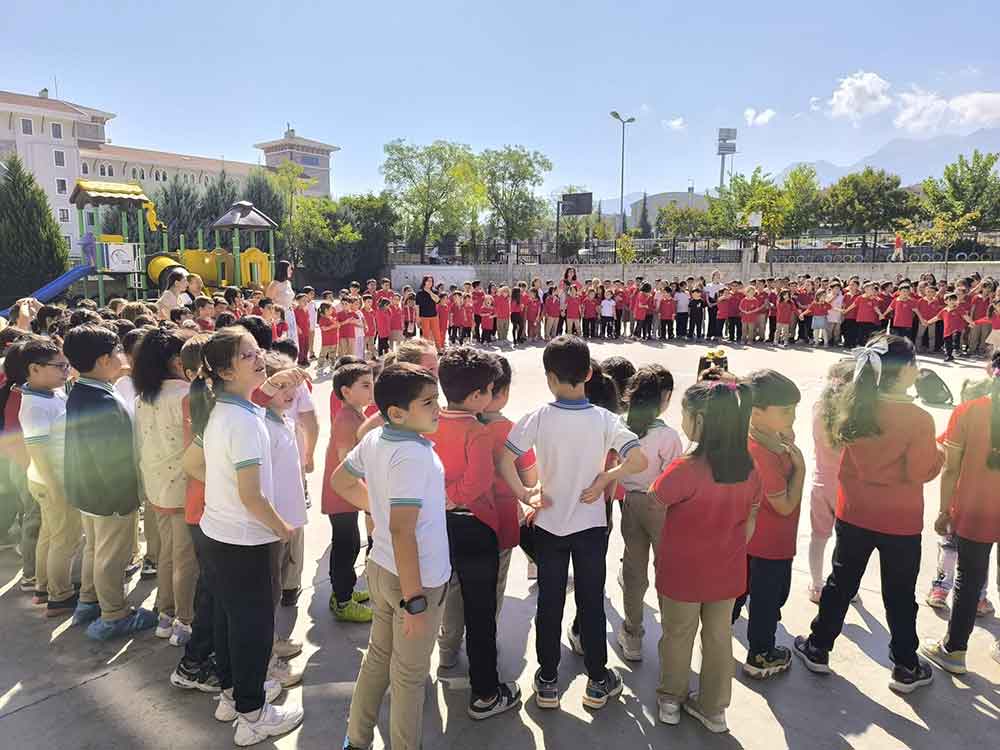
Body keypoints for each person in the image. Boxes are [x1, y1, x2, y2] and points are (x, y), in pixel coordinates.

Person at [500, 335, 648, 711]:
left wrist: (525, 493)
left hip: (548, 525)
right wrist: (605, 477)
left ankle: (547, 679)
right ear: (588, 374)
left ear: (550, 377)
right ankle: (598, 679)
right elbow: (639, 461)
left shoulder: (537, 417)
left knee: (549, 603)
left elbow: (505, 459)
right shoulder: (605, 419)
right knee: (590, 601)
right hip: (591, 529)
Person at [794, 335, 944, 693]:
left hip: (855, 512)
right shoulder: (918, 418)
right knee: (899, 591)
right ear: (905, 371)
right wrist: (941, 456)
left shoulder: (856, 406)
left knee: (841, 581)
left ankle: (818, 646)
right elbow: (922, 469)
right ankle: (906, 664)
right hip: (900, 521)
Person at [330, 364, 451, 750]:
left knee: (378, 658)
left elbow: (341, 482)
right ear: (397, 412)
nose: (439, 408)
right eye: (428, 402)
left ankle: (356, 738)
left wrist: (376, 509)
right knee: (409, 677)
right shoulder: (413, 456)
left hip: (381, 568)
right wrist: (415, 599)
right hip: (414, 582)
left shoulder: (378, 437)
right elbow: (403, 531)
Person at [193, 327, 304, 744]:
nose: (259, 360)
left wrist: (268, 386)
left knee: (228, 619)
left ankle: (233, 694)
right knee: (253, 628)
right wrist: (282, 527)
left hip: (219, 532)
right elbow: (252, 495)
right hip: (247, 539)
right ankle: (253, 713)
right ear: (224, 370)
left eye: (258, 352)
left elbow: (251, 404)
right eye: (247, 356)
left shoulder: (226, 408)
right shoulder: (242, 423)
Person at [650, 380, 761, 732]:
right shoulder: (749, 468)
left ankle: (671, 698)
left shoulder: (686, 468)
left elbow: (657, 498)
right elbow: (750, 522)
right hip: (727, 570)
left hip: (683, 570)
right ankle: (714, 709)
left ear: (699, 420)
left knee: (678, 633)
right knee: (718, 638)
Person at [429, 348, 523, 718]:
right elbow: (479, 481)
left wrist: (441, 501)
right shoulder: (478, 431)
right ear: (476, 397)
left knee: (442, 595)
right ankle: (485, 693)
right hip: (475, 527)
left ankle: (443, 656)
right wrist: (453, 499)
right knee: (480, 613)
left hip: (438, 525)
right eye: (488, 389)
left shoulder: (429, 423)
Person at [62, 324, 158, 637]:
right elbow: (111, 461)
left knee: (96, 549)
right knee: (111, 556)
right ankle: (114, 615)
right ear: (104, 360)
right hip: (110, 496)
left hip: (87, 492)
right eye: (117, 352)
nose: (122, 357)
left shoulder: (84, 389)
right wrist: (125, 498)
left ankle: (89, 601)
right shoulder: (104, 403)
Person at [921, 351, 1000, 672]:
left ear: (990, 371)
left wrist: (943, 511)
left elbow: (950, 469)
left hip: (974, 508)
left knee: (968, 581)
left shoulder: (969, 411)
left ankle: (954, 650)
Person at [732, 370, 804, 679]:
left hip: (746, 539)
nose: (793, 417)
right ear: (756, 412)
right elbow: (785, 505)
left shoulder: (754, 437)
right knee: (767, 600)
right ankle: (761, 654)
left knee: (739, 591)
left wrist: (785, 442)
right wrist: (799, 467)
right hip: (771, 542)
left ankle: (716, 633)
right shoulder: (763, 455)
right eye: (786, 411)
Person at [133, 328, 198, 646]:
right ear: (175, 360)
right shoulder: (186, 394)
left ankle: (165, 613)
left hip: (156, 484)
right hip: (184, 486)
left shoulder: (144, 396)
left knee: (167, 554)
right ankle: (185, 620)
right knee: (186, 557)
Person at [615, 365, 683, 662]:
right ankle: (672, 635)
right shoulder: (668, 436)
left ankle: (632, 635)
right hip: (662, 506)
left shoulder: (618, 426)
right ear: (663, 399)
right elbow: (676, 478)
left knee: (633, 570)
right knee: (667, 570)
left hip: (631, 503)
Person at [18, 337, 78, 614]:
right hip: (51, 478)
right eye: (60, 366)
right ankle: (60, 595)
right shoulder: (34, 406)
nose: (66, 370)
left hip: (48, 478)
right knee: (63, 539)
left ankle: (44, 586)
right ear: (34, 369)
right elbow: (38, 451)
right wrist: (55, 486)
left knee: (50, 534)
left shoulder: (50, 393)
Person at [322, 362, 376, 623]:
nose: (371, 389)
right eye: (365, 386)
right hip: (341, 494)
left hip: (350, 493)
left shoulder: (356, 414)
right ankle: (342, 600)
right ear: (346, 391)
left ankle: (345, 592)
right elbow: (346, 463)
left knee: (351, 542)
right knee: (346, 545)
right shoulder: (346, 419)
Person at [807, 360, 855, 603]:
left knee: (818, 538)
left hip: (821, 483)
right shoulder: (855, 417)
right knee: (846, 543)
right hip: (849, 488)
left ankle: (816, 585)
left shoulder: (818, 408)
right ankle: (846, 587)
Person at [266, 260, 298, 346]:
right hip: (279, 316)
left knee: (292, 339)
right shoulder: (274, 285)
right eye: (289, 269)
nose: (291, 271)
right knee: (283, 340)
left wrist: (292, 303)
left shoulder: (288, 283)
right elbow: (268, 303)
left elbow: (289, 298)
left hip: (290, 314)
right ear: (283, 270)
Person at [415, 276, 444, 350]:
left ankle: (439, 349)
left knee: (436, 333)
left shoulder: (435, 291)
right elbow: (417, 306)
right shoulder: (419, 293)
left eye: (431, 281)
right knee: (426, 335)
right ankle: (426, 350)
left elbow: (437, 300)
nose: (430, 282)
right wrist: (417, 317)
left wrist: (430, 292)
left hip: (434, 316)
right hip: (424, 316)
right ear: (424, 282)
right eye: (428, 281)